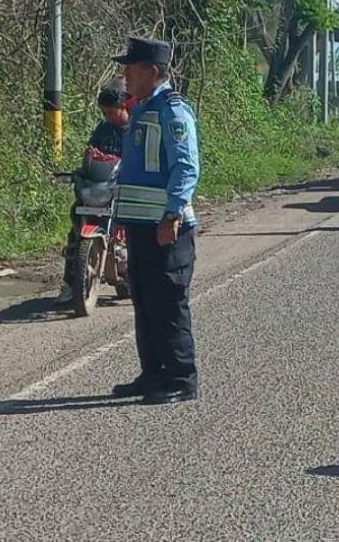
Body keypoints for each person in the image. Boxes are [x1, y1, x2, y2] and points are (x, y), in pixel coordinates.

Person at [109, 37, 200, 404]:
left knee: (168, 302)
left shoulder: (172, 111)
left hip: (166, 227)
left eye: (132, 69)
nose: (125, 75)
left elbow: (186, 166)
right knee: (145, 301)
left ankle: (181, 377)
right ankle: (153, 373)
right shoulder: (144, 107)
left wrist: (173, 213)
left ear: (152, 72)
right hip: (139, 225)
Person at [54, 83, 131, 305]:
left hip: (121, 190)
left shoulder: (136, 129)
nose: (107, 116)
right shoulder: (103, 129)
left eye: (110, 112)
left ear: (123, 106)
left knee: (132, 229)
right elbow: (91, 153)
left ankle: (133, 271)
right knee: (75, 227)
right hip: (98, 188)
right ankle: (70, 282)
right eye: (104, 112)